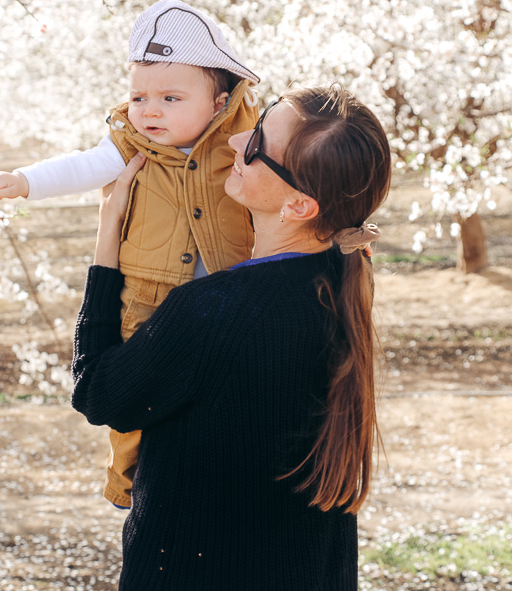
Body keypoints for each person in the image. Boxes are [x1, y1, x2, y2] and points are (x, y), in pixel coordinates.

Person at [71, 83, 392, 589]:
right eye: (256, 123)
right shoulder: (343, 277)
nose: (236, 144)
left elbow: (99, 394)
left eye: (259, 144)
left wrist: (108, 241)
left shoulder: (217, 310)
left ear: (301, 205)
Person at [0, 0, 260, 508]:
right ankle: (126, 482)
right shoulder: (131, 146)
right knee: (134, 406)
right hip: (146, 300)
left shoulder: (245, 145)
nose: (150, 110)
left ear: (220, 102)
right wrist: (25, 181)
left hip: (227, 292)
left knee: (227, 393)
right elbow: (82, 167)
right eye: (139, 97)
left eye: (171, 98)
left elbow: (297, 184)